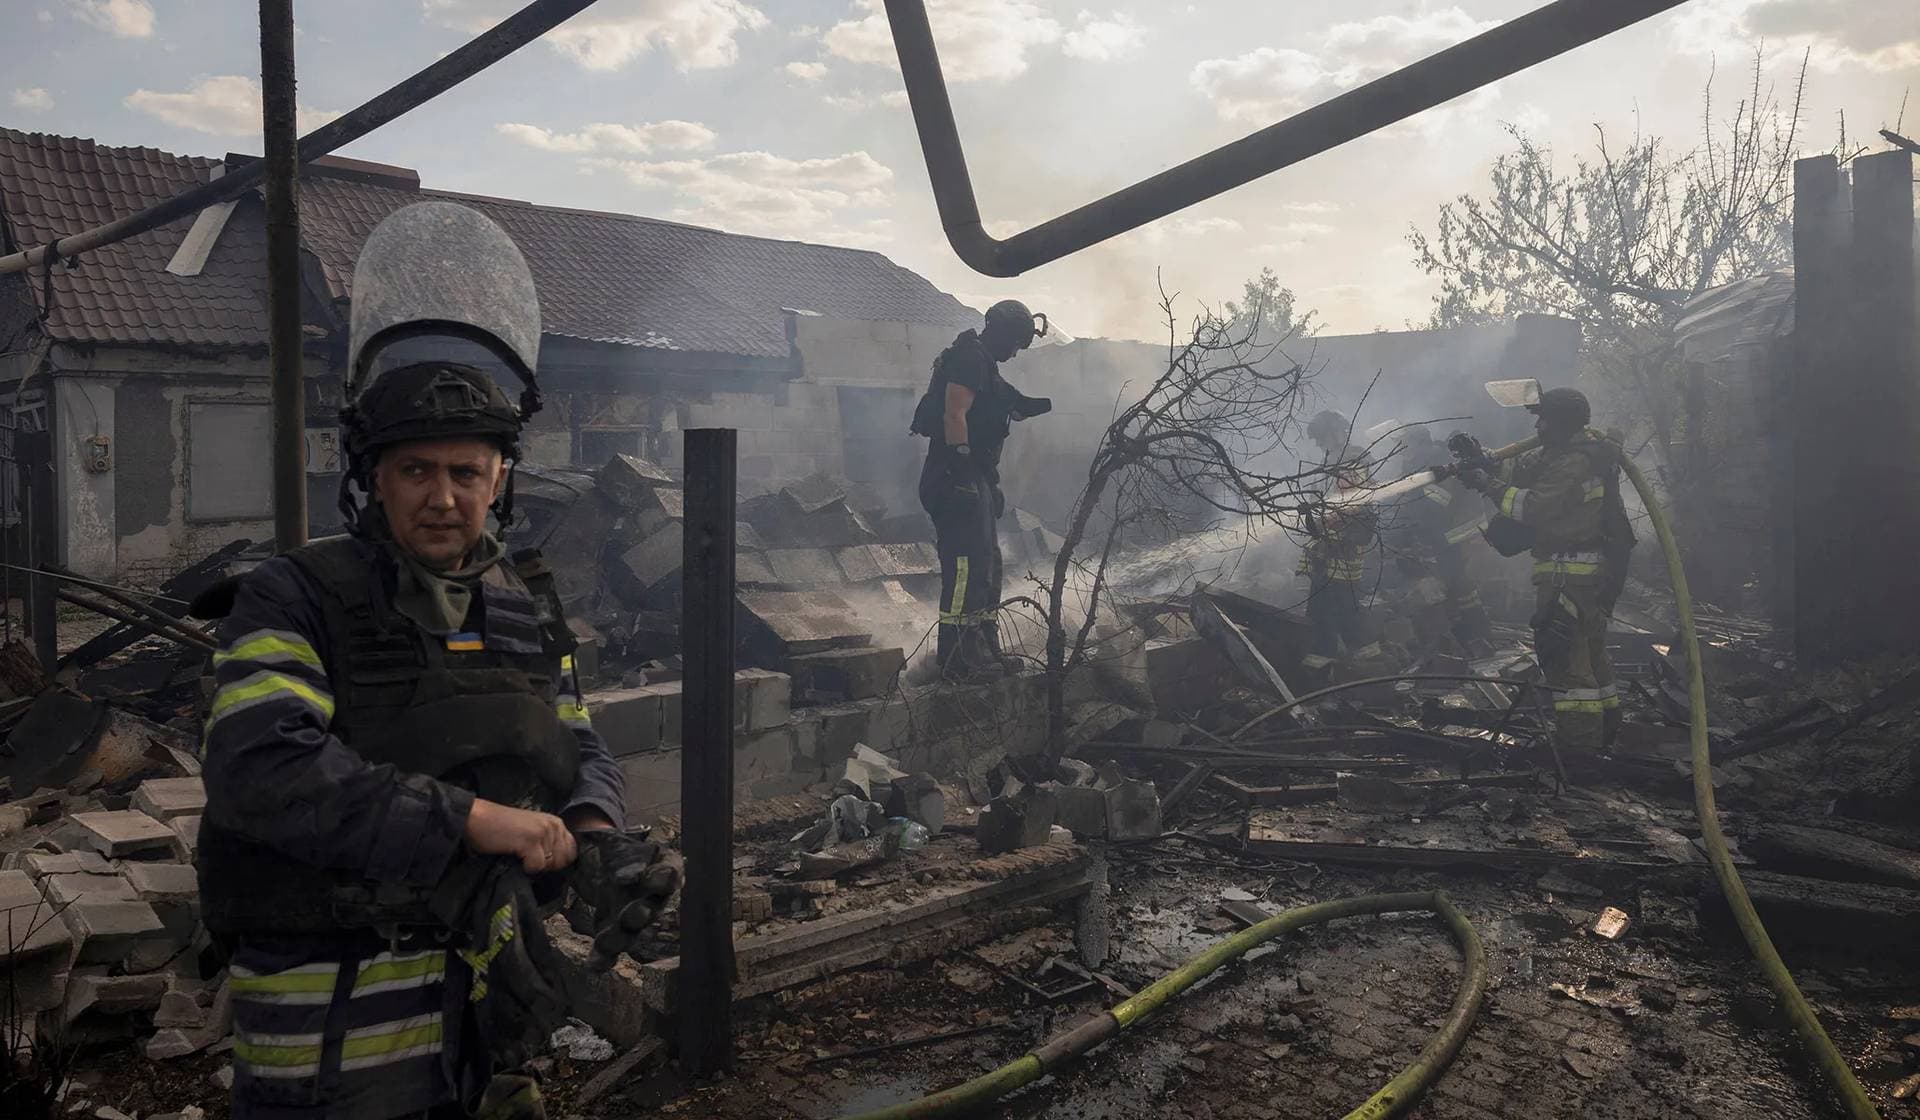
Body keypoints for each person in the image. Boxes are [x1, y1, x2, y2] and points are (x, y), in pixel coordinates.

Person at [195, 202, 676, 1120]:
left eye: (467, 472)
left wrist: (597, 837)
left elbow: (576, 742)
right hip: (333, 1024)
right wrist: (476, 821)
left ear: (501, 479)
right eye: (417, 471)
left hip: (483, 1018)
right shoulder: (293, 596)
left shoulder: (521, 605)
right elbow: (263, 768)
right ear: (373, 477)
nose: (444, 498)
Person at [1458, 386, 1632, 754]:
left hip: (1567, 574)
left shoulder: (1574, 462)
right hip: (1587, 575)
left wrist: (1486, 485)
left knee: (1567, 662)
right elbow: (1526, 469)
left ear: (1560, 422)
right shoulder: (1578, 452)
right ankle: (1605, 735)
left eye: (1544, 419)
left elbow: (1532, 507)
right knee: (1593, 658)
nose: (1538, 425)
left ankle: (1579, 749)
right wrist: (1484, 460)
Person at [909, 299, 1053, 678]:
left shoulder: (986, 364)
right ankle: (958, 658)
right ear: (1001, 331)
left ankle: (985, 647)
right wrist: (960, 471)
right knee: (964, 568)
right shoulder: (969, 359)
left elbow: (1000, 403)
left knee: (987, 563)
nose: (1016, 350)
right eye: (1017, 341)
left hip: (974, 476)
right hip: (952, 477)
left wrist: (988, 481)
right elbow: (954, 414)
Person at [1390, 426, 1490, 649]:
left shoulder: (1434, 462)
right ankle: (1470, 635)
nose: (1402, 453)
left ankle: (1468, 636)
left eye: (1405, 448)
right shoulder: (1423, 461)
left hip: (1455, 531)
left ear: (1417, 444)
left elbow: (1435, 505)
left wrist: (1407, 522)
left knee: (1450, 582)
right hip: (1449, 532)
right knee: (1455, 582)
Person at [1297, 409, 1375, 658]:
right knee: (1340, 617)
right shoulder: (1336, 463)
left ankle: (1328, 675)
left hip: (1338, 556)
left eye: (1321, 438)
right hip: (1329, 557)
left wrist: (1316, 520)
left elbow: (1350, 507)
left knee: (1324, 619)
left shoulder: (1349, 464)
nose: (1320, 444)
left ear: (1335, 433)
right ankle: (1365, 668)